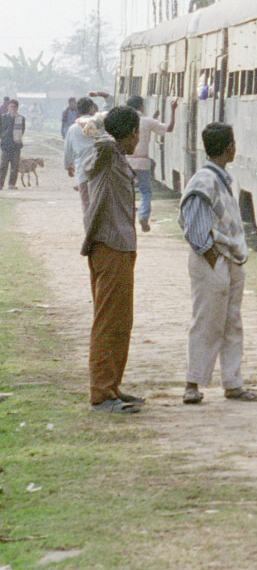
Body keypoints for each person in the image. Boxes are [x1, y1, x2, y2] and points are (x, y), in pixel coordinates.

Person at [179, 121, 257, 404]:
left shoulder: (218, 178)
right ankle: (193, 382)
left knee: (231, 323)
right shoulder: (205, 181)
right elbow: (194, 227)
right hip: (212, 260)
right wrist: (213, 257)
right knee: (206, 321)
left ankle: (232, 382)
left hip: (229, 260)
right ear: (229, 148)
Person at [79, 105, 143, 413]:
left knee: (121, 321)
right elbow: (100, 138)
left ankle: (113, 385)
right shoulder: (105, 154)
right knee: (107, 322)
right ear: (130, 134)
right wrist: (105, 125)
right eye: (136, 133)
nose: (138, 140)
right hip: (109, 247)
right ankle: (101, 393)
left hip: (122, 246)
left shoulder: (116, 158)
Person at [125, 94, 177, 233]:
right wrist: (173, 110)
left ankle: (127, 219)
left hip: (126, 161)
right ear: (141, 106)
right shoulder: (147, 121)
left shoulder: (124, 121)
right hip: (143, 162)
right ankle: (143, 217)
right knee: (145, 191)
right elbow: (169, 128)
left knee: (126, 191)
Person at [63, 97, 99, 206]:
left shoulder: (73, 128)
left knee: (86, 203)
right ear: (92, 108)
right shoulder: (100, 125)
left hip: (82, 169)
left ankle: (89, 221)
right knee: (99, 202)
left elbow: (68, 150)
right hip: (99, 168)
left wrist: (68, 166)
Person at [0, 98, 25, 189]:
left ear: (17, 108)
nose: (12, 108)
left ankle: (11, 184)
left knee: (14, 167)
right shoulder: (3, 118)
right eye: (11, 106)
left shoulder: (21, 119)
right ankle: (0, 184)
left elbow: (22, 131)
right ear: (8, 107)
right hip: (5, 145)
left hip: (16, 146)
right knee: (3, 166)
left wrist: (16, 140)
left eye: (14, 107)